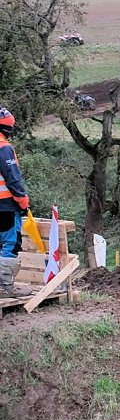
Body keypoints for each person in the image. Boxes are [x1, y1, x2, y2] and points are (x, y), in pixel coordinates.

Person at [0, 107, 31, 298]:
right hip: (4, 205)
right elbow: (12, 179)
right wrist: (23, 202)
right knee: (10, 243)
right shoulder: (3, 148)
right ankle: (4, 287)